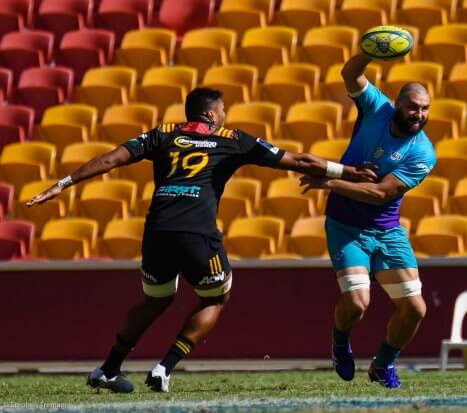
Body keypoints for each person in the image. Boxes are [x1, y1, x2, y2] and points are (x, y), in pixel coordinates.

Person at [26, 87, 377, 394]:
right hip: (197, 233)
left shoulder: (162, 134)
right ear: (211, 114)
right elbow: (297, 160)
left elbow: (109, 159)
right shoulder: (232, 139)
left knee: (155, 300)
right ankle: (164, 367)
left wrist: (61, 185)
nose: (225, 115)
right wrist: (346, 171)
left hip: (158, 232)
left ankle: (108, 369)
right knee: (217, 294)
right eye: (223, 110)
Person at [300, 53, 436, 389]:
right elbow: (349, 72)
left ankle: (383, 364)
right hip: (346, 227)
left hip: (387, 231)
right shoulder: (377, 108)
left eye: (424, 109)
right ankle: (339, 343)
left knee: (415, 309)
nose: (418, 114)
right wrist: (370, 52)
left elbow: (379, 194)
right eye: (413, 107)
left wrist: (330, 181)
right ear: (398, 104)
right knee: (358, 304)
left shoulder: (423, 153)